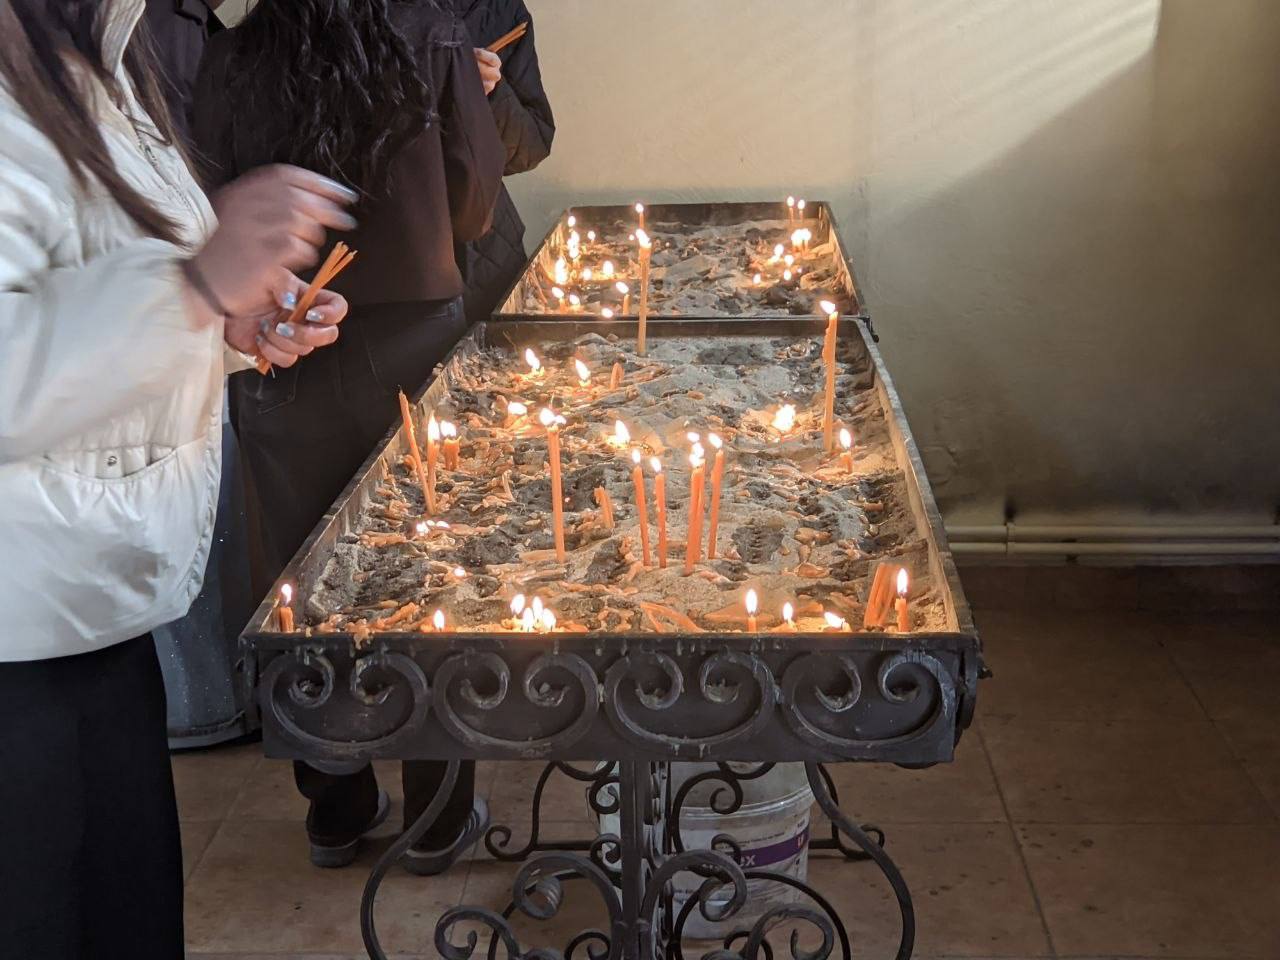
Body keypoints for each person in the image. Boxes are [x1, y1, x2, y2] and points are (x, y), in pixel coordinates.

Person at [0, 0, 355, 955]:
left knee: (131, 915)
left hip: (96, 610)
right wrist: (193, 288)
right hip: (18, 636)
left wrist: (230, 325)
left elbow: (89, 289)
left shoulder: (97, 56)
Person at [193, 0, 506, 873]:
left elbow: (204, 214)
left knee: (302, 578)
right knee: (431, 568)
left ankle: (336, 806)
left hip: (277, 343)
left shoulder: (230, 55)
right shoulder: (434, 32)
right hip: (414, 343)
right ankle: (437, 818)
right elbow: (475, 204)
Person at [454, 0, 555, 324]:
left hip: (488, 250)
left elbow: (532, 147)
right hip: (390, 261)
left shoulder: (501, 10)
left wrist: (489, 93)